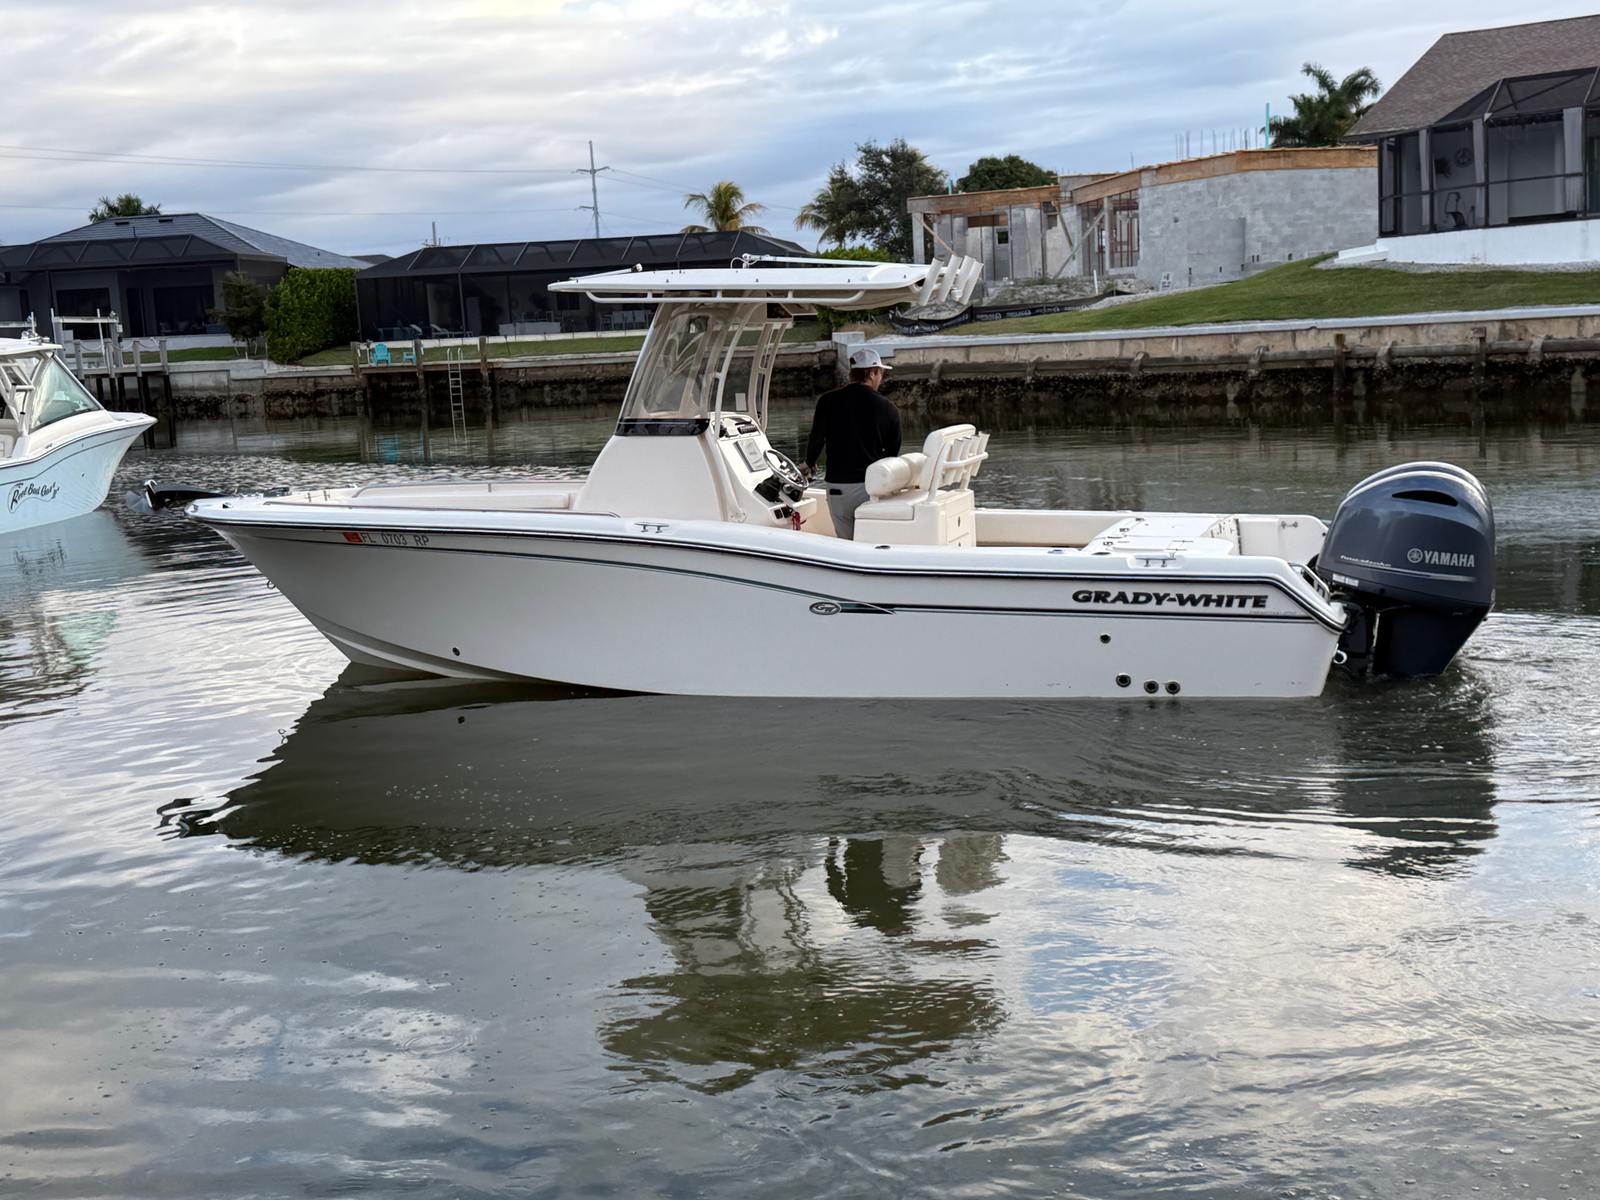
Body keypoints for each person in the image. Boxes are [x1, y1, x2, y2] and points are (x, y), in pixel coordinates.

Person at [803, 346, 901, 541]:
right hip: (870, 487)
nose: (880, 378)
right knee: (872, 542)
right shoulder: (889, 408)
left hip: (838, 487)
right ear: (872, 373)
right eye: (880, 373)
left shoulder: (827, 401)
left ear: (852, 373)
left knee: (846, 542)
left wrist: (809, 463)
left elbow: (817, 438)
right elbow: (892, 453)